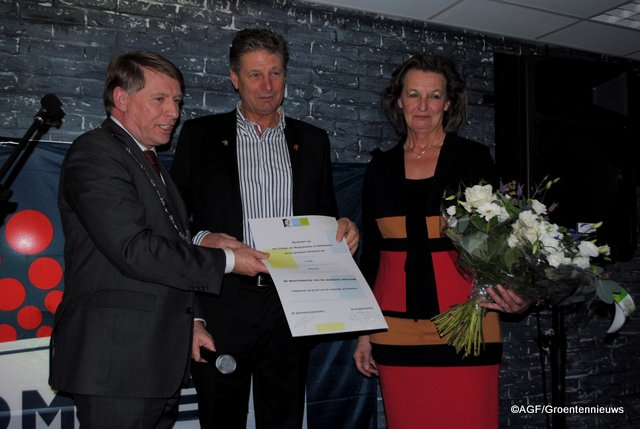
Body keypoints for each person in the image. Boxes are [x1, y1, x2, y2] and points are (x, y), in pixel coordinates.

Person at [49, 50, 268, 429]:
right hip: (117, 365)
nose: (174, 113)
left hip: (154, 362)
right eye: (160, 99)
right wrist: (230, 262)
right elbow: (134, 249)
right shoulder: (96, 153)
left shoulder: (147, 160)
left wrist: (193, 320)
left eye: (177, 101)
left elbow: (168, 246)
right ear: (121, 98)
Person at [170, 28, 359, 429]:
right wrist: (204, 238)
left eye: (275, 73)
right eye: (255, 74)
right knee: (221, 418)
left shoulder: (313, 141)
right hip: (224, 298)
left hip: (294, 302)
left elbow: (325, 212)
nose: (267, 85)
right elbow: (173, 217)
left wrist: (342, 226)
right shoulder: (201, 136)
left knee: (284, 419)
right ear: (234, 78)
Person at [352, 54, 530, 429]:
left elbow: (502, 243)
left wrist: (519, 292)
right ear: (399, 100)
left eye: (434, 96)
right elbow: (372, 256)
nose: (423, 106)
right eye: (413, 94)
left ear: (448, 103)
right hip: (394, 328)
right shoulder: (379, 168)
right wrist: (365, 330)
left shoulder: (473, 158)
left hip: (467, 322)